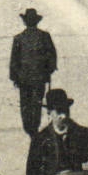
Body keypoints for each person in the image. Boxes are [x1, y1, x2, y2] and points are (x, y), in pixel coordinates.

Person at [9, 8, 58, 136]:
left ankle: (28, 128)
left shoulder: (18, 38)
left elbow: (14, 59)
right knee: (37, 103)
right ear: (36, 22)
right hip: (40, 76)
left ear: (25, 23)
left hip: (23, 77)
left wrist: (14, 77)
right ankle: (34, 128)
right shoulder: (44, 36)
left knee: (25, 103)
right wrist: (49, 71)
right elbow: (52, 55)